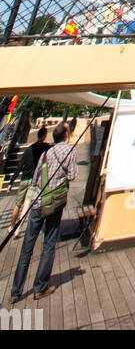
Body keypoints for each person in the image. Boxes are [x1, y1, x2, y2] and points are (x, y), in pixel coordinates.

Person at [10, 123, 78, 302]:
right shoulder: (70, 152)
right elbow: (72, 175)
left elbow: (36, 178)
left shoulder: (46, 154)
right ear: (66, 135)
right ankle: (40, 286)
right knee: (49, 244)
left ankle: (15, 292)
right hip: (54, 203)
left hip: (37, 203)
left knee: (27, 247)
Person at [9, 127, 49, 236]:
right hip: (33, 181)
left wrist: (11, 182)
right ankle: (17, 229)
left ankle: (11, 226)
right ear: (44, 135)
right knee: (26, 205)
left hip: (24, 179)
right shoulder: (45, 147)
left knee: (17, 205)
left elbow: (19, 166)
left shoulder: (28, 149)